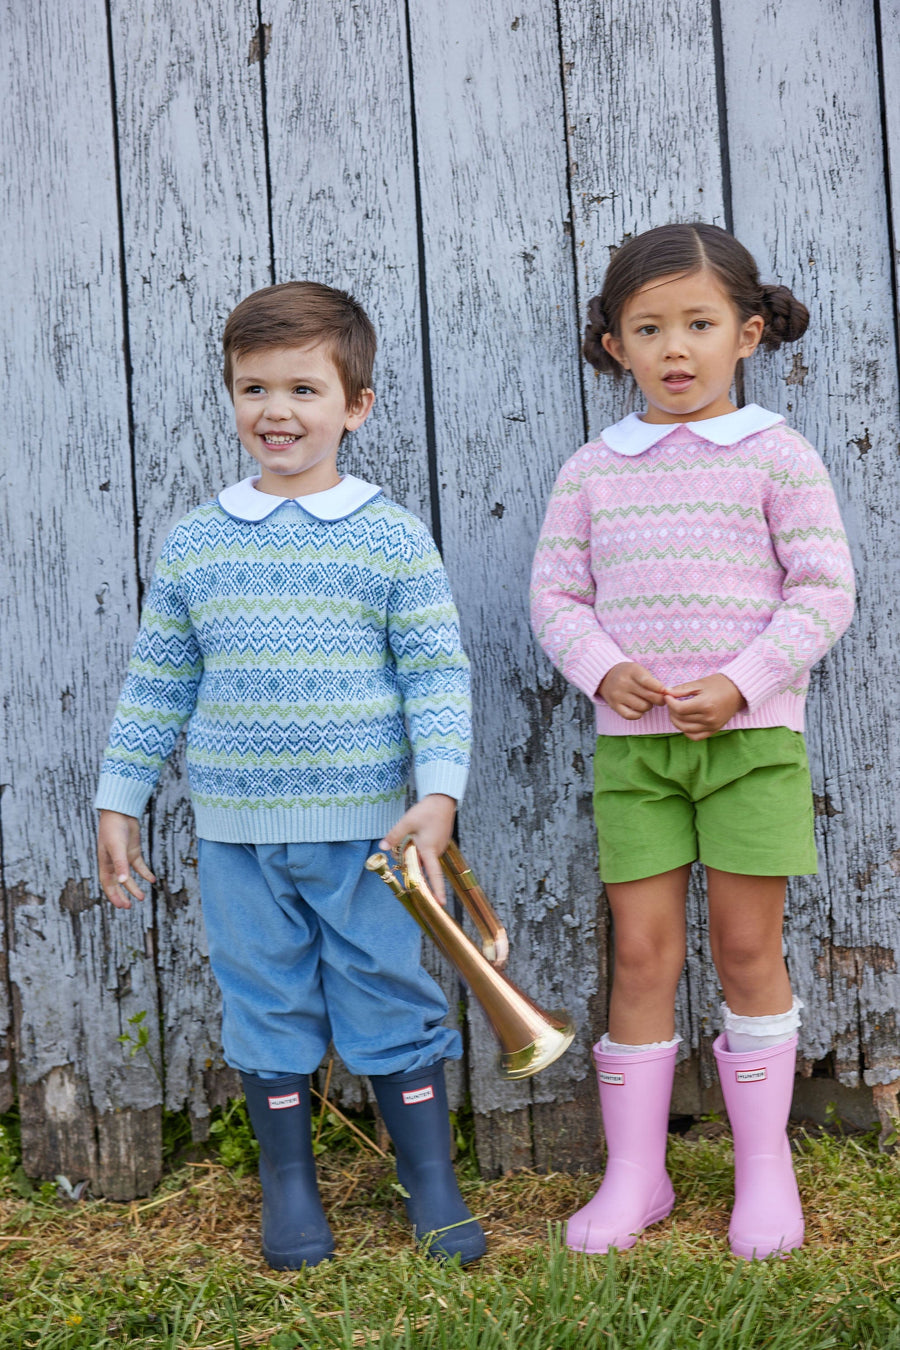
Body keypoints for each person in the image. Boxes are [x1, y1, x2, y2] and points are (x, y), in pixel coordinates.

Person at [95, 281, 486, 1269]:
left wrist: (438, 791)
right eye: (254, 388)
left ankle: (430, 1182)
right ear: (232, 396)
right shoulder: (197, 541)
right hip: (237, 834)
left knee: (387, 993)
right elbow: (158, 681)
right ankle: (289, 1188)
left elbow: (436, 673)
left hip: (368, 836)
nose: (277, 410)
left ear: (356, 406)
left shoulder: (389, 536)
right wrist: (120, 797)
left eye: (304, 389)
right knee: (263, 1000)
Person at [530, 223, 854, 1260]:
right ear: (615, 344)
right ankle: (639, 1173)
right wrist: (602, 669)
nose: (676, 348)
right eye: (649, 329)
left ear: (747, 334)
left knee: (750, 948)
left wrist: (743, 681)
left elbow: (824, 590)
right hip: (637, 754)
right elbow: (556, 597)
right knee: (641, 951)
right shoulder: (593, 469)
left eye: (700, 324)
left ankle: (764, 1166)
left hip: (752, 747)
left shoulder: (777, 454)